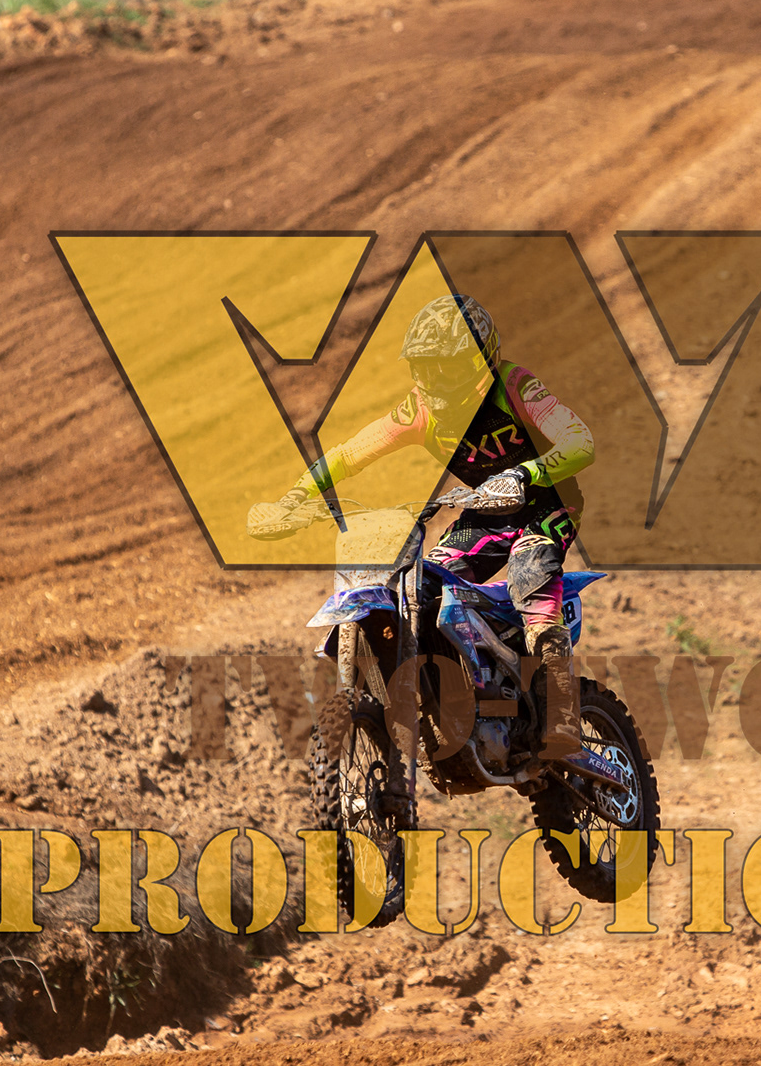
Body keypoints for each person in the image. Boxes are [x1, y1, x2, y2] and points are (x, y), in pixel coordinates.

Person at [252, 294, 599, 767]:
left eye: (448, 367)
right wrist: (294, 498)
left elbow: (580, 441)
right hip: (485, 511)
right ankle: (459, 690)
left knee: (530, 574)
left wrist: (526, 473)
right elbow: (349, 454)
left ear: (480, 361)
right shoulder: (420, 410)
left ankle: (560, 714)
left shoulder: (514, 386)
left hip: (547, 503)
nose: (437, 380)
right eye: (427, 368)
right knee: (423, 585)